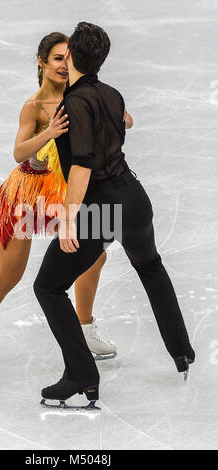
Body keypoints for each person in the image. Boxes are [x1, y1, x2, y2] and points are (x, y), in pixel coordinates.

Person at [34, 22, 195, 410]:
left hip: (101, 208)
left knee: (49, 287)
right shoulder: (112, 93)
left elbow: (83, 165)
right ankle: (182, 351)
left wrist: (70, 219)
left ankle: (82, 375)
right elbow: (123, 123)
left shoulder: (73, 102)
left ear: (70, 56)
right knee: (151, 267)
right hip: (134, 199)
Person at [0, 32, 118, 387]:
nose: (63, 64)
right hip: (25, 197)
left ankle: (84, 327)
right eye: (56, 58)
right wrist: (50, 132)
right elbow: (19, 153)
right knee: (10, 274)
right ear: (42, 62)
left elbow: (116, 120)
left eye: (66, 57)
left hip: (60, 194)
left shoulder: (81, 94)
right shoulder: (36, 106)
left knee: (95, 255)